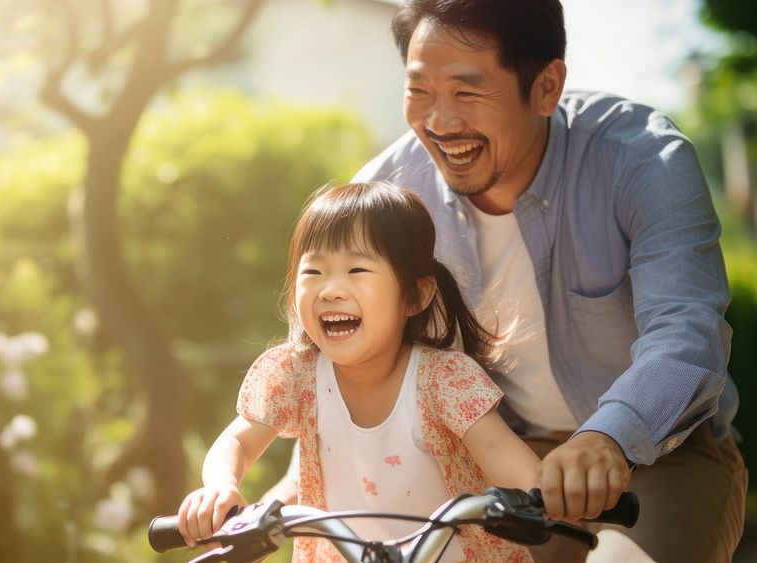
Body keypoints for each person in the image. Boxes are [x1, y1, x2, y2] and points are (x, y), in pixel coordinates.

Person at [266, 1, 748, 561]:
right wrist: (289, 486)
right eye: (419, 90)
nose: (440, 122)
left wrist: (607, 436)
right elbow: (347, 360)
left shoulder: (642, 162)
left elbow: (687, 336)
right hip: (489, 459)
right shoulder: (388, 195)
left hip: (659, 454)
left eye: (467, 92)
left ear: (546, 87)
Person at [177, 182, 541, 562]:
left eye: (356, 269)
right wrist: (219, 487)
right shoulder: (296, 375)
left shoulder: (443, 380)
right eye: (313, 271)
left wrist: (549, 492)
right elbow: (238, 440)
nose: (331, 290)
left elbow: (500, 450)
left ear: (416, 295)